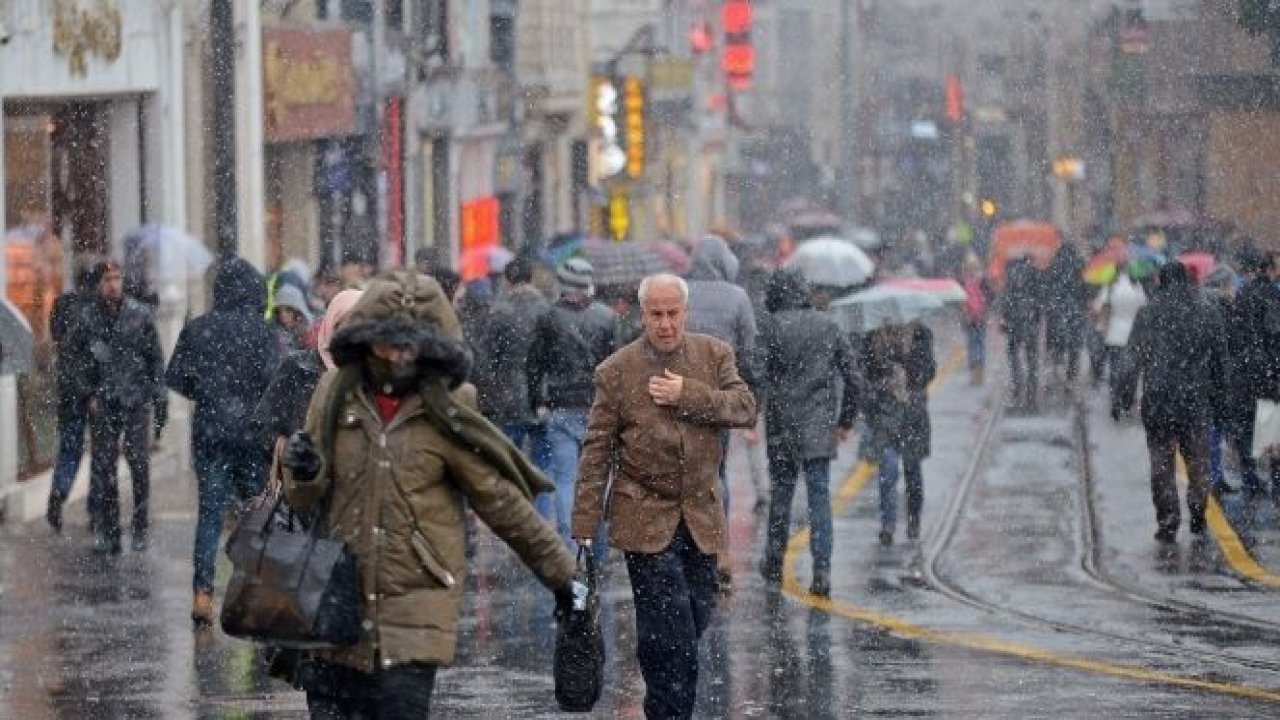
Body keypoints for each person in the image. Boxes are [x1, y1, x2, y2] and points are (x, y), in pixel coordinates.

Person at [279, 270, 577, 719]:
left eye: (410, 343)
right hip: (339, 600)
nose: (398, 355)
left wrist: (564, 578)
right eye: (387, 341)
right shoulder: (333, 394)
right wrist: (302, 472)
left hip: (417, 606)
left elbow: (500, 501)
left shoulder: (450, 406)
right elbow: (306, 499)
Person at [571, 273, 756, 720]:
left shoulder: (714, 355)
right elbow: (597, 450)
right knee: (670, 628)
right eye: (656, 314)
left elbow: (744, 408)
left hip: (700, 513)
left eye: (673, 313)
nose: (666, 324)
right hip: (644, 514)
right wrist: (583, 525)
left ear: (685, 313)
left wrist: (686, 395)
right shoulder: (616, 372)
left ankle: (662, 691)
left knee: (693, 615)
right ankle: (671, 710)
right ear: (642, 314)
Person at [166, 256, 281, 625]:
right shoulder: (263, 333)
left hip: (211, 433)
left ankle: (203, 594)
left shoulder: (198, 329)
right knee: (257, 516)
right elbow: (274, 381)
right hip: (251, 436)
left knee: (210, 515)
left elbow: (177, 378)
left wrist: (210, 394)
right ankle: (258, 589)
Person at [757, 269, 858, 595]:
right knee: (819, 500)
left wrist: (755, 411)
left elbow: (757, 372)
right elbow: (853, 376)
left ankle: (774, 559)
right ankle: (822, 571)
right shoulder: (827, 325)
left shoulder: (770, 327)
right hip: (817, 426)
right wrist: (845, 420)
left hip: (781, 425)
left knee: (781, 496)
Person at [61, 260, 167, 554]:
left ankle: (140, 526)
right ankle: (109, 529)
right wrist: (88, 393)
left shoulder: (139, 314)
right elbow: (72, 361)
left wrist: (157, 395)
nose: (113, 283)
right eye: (108, 278)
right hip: (103, 401)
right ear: (99, 283)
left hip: (135, 399)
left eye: (117, 278)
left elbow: (155, 358)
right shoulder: (87, 317)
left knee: (139, 464)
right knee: (104, 468)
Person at [1129, 261, 1227, 542]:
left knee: (1161, 464)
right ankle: (1198, 511)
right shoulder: (1208, 313)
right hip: (1195, 401)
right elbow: (1220, 361)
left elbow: (1132, 359)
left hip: (1159, 400)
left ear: (1162, 281)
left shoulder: (1149, 313)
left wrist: (1123, 396)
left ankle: (1168, 519)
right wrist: (1221, 399)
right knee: (1198, 461)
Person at [525, 257, 620, 548]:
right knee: (596, 479)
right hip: (598, 407)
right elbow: (616, 367)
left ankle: (571, 543)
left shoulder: (549, 318)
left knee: (566, 479)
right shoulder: (607, 317)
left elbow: (534, 365)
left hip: (560, 406)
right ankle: (597, 541)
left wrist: (537, 401)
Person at [683, 233, 759, 586]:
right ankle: (718, 548)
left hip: (680, 397)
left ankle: (686, 546)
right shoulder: (737, 297)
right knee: (718, 472)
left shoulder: (679, 293)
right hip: (720, 400)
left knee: (683, 471)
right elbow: (750, 349)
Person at [861, 319, 936, 545]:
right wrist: (886, 383)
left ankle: (913, 520)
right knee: (888, 471)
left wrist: (907, 368)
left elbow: (928, 373)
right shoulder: (873, 339)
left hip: (913, 416)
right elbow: (866, 379)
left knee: (913, 471)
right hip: (886, 417)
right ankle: (888, 523)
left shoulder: (921, 335)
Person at [255, 289, 364, 445]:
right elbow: (263, 426)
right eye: (344, 325)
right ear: (331, 324)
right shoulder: (298, 367)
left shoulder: (373, 374)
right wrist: (288, 449)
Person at [45, 263, 104, 532]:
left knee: (70, 446)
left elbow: (57, 339)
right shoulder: (100, 309)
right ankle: (95, 511)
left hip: (68, 386)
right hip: (94, 389)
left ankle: (59, 493)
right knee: (101, 452)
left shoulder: (63, 303)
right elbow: (100, 354)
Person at [475, 255, 550, 457]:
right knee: (542, 457)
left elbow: (486, 358)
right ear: (531, 277)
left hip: (507, 394)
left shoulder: (500, 311)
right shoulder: (546, 309)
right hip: (541, 393)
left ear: (507, 280)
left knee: (510, 455)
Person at [1229, 249, 1280, 500]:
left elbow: (1235, 333)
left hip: (1244, 373)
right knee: (1273, 429)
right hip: (1268, 374)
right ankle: (1276, 483)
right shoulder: (1272, 296)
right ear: (1270, 269)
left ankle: (1250, 479)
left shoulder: (1244, 293)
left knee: (1247, 429)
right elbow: (1273, 337)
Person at [1094, 263, 1148, 420]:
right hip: (1133, 335)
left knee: (1115, 369)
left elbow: (1099, 307)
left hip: (1114, 333)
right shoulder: (1137, 287)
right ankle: (1127, 401)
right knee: (1132, 371)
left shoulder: (1111, 287)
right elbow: (1143, 307)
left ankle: (1115, 399)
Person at [996, 255, 1043, 411]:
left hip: (1014, 322)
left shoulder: (1011, 273)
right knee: (1032, 357)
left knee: (1014, 354)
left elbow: (1006, 297)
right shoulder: (1036, 273)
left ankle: (1018, 385)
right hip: (1030, 322)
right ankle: (1032, 389)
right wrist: (1036, 314)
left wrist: (1004, 316)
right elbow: (1041, 298)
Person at [1043, 244, 1088, 387]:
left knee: (1058, 340)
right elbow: (1085, 288)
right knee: (1075, 344)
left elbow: (1048, 287)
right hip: (1076, 310)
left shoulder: (1054, 265)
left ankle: (1056, 366)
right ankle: (1071, 375)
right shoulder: (1080, 265)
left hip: (1058, 309)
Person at [959, 254, 991, 386]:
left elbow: (959, 301)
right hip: (980, 317)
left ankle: (974, 373)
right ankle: (980, 372)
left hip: (968, 318)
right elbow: (989, 298)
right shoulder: (983, 281)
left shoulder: (962, 281)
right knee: (980, 344)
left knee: (972, 344)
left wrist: (964, 313)